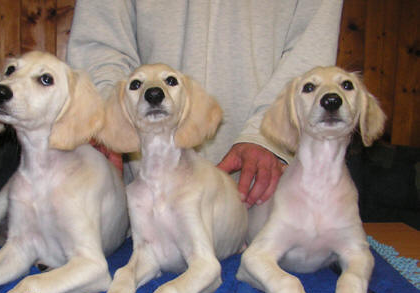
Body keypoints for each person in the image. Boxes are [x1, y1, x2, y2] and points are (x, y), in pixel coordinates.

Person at [67, 0, 343, 206]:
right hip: (142, 195)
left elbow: (311, 46)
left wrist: (266, 137)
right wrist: (110, 124)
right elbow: (102, 43)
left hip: (260, 190)